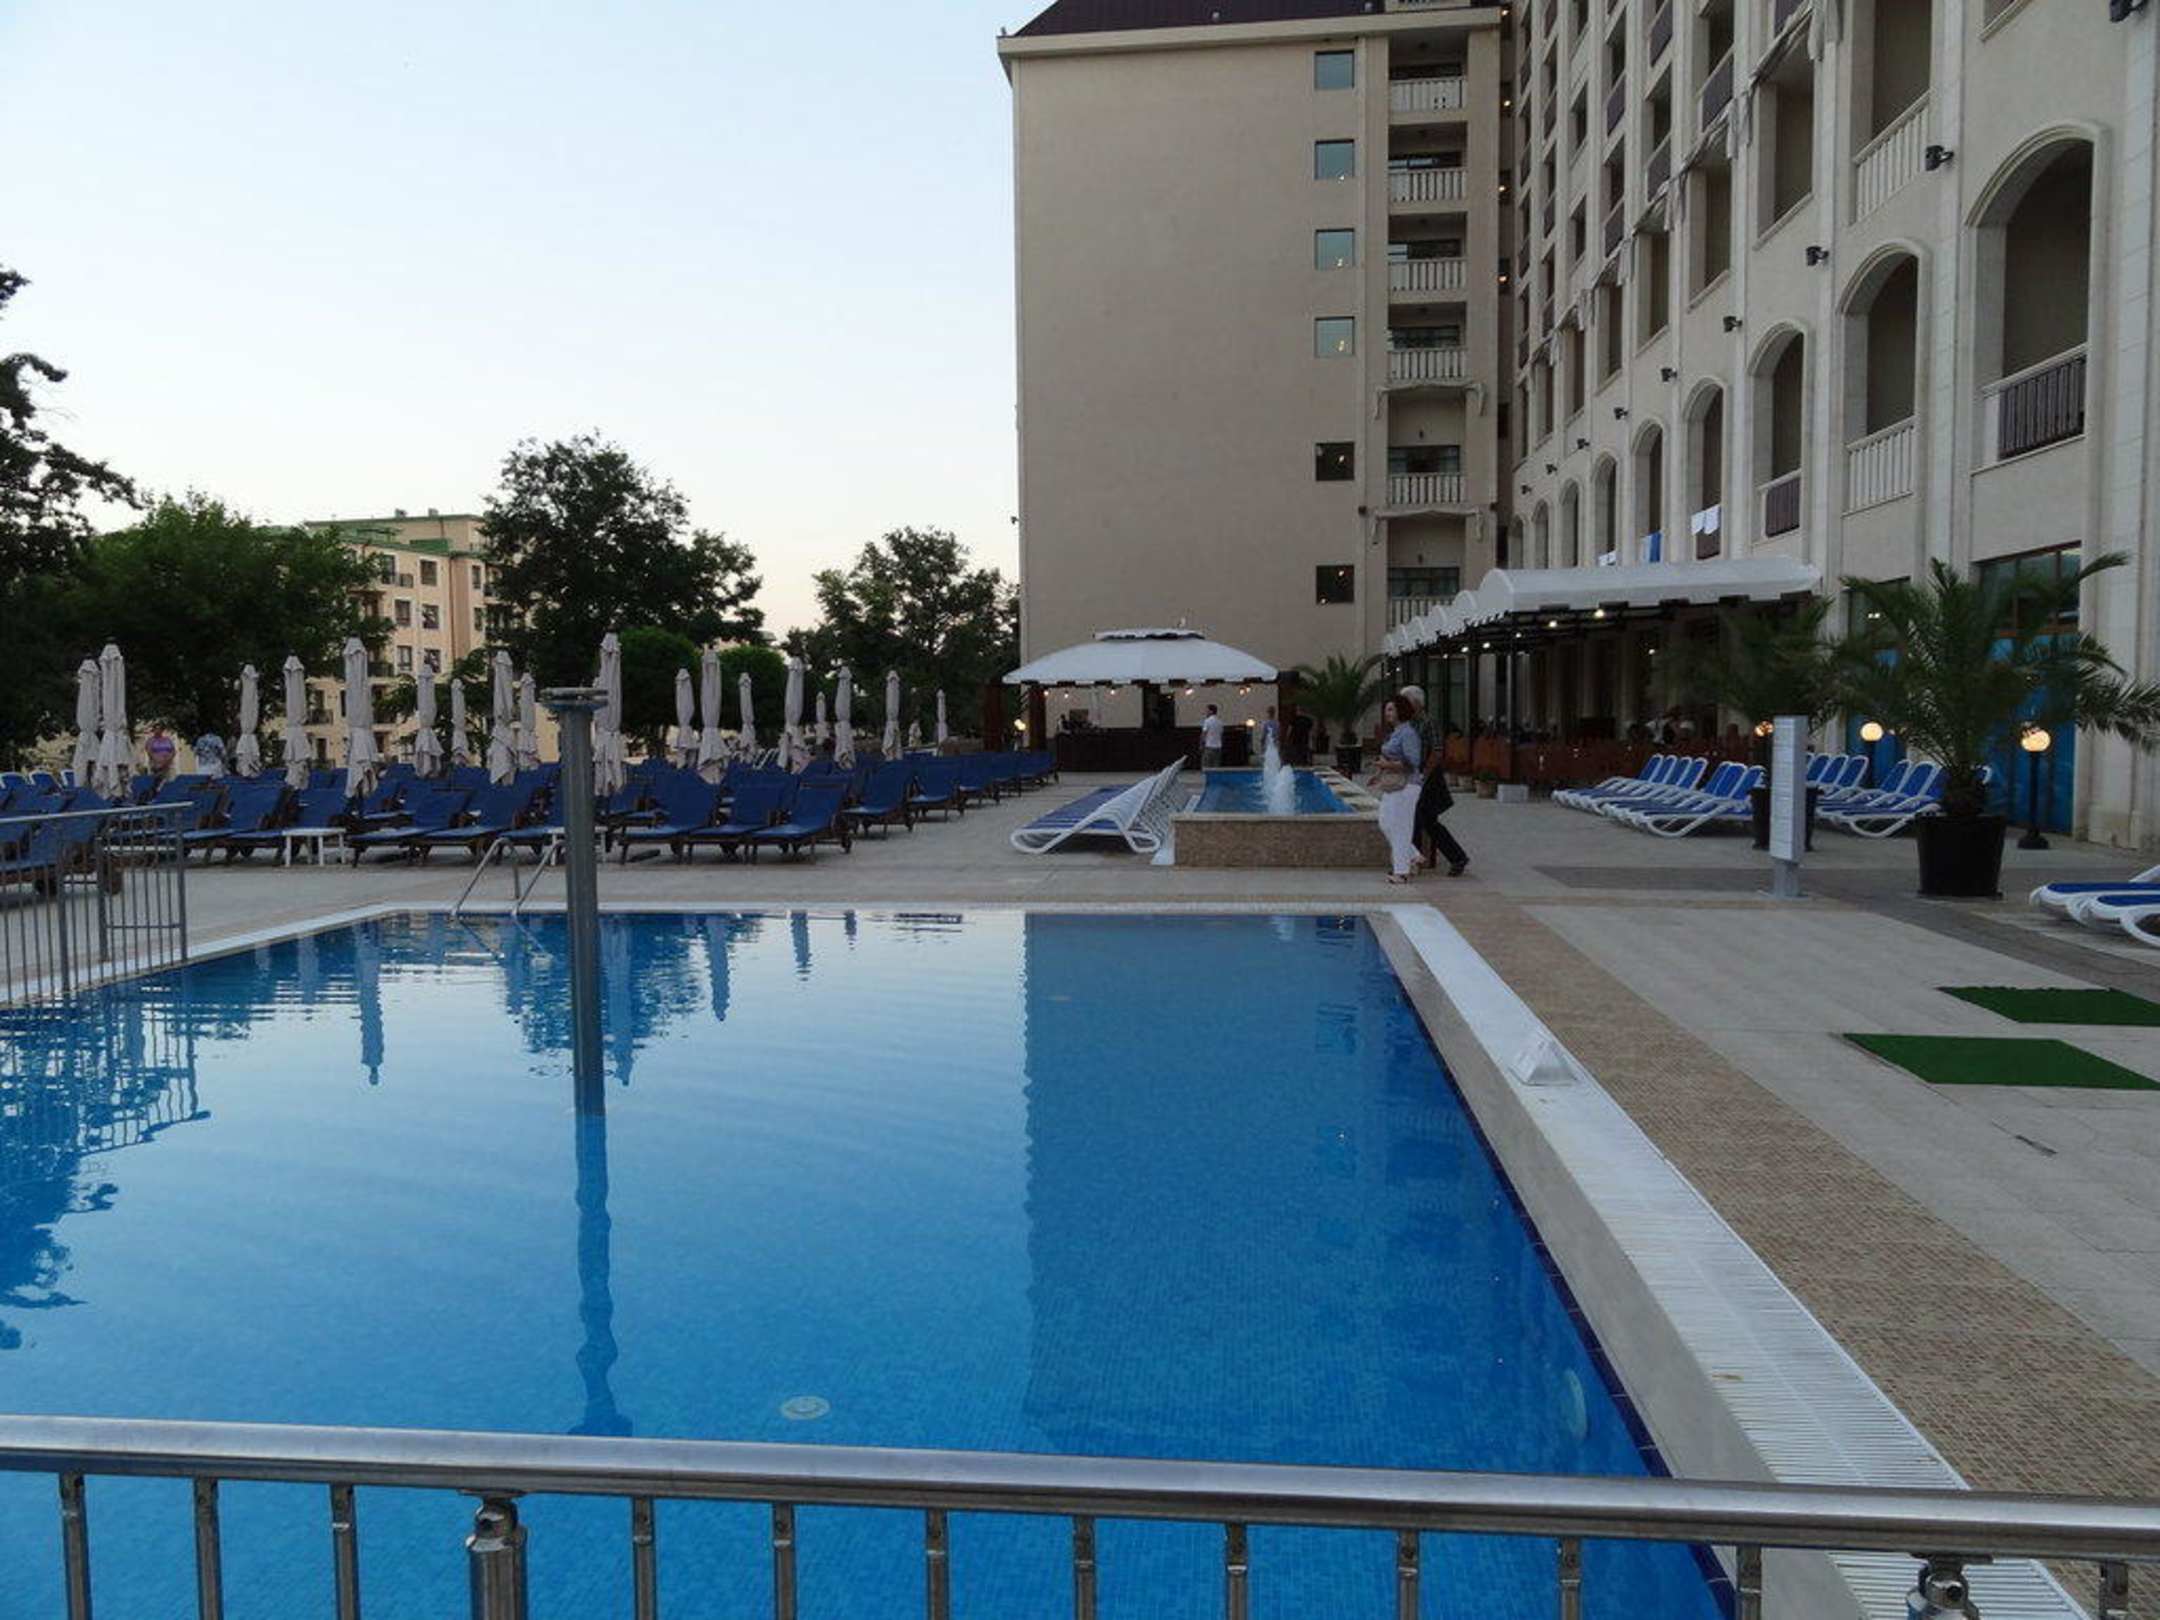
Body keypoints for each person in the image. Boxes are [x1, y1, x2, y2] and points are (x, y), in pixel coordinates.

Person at [1398, 685, 1469, 878]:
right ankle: (1457, 857)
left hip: (1428, 778)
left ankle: (1412, 862)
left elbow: (1437, 751)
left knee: (1418, 818)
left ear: (1416, 703)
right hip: (1413, 775)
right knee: (1426, 821)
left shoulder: (1429, 723)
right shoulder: (1408, 724)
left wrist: (1424, 774)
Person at [1370, 694, 1423, 884]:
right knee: (1385, 822)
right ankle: (1413, 855)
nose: (1387, 713)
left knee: (1401, 827)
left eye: (1391, 709)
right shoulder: (1396, 732)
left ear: (1401, 710)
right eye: (1386, 709)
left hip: (1406, 785)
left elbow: (1413, 762)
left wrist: (1387, 764)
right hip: (1393, 784)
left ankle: (1401, 872)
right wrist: (1379, 773)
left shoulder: (1408, 733)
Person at [1199, 703, 1225, 769]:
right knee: (1216, 766)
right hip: (1218, 747)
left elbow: (1204, 734)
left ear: (1211, 711)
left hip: (1209, 746)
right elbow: (1221, 735)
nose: (1206, 712)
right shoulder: (1220, 722)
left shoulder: (1207, 721)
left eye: (1207, 710)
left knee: (1206, 765)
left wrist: (1201, 745)